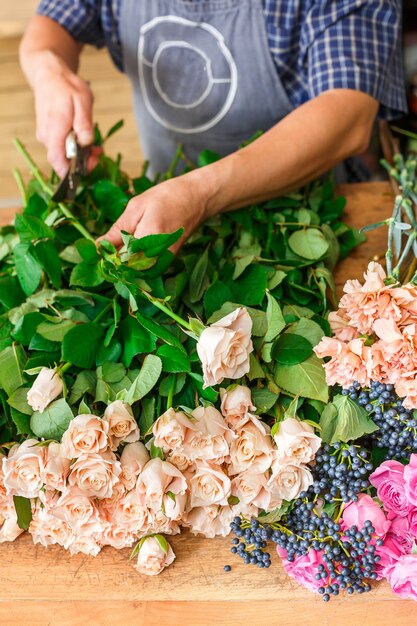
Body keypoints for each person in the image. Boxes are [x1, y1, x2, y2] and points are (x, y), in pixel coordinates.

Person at [20, 1, 406, 249]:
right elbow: (55, 21)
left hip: (308, 221)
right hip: (163, 204)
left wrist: (199, 194)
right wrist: (47, 69)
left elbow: (348, 114)